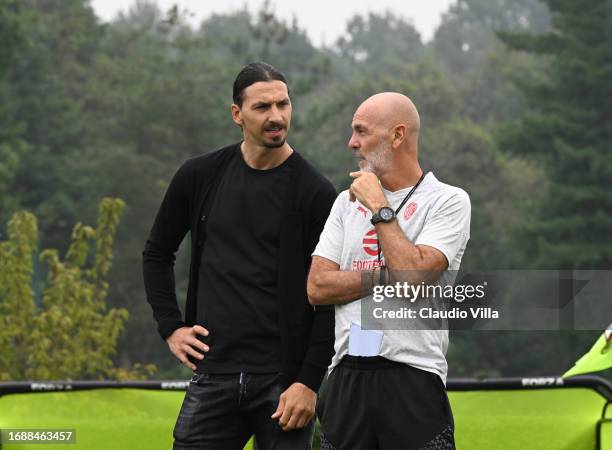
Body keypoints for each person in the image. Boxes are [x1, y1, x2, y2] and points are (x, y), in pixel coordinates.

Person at [142, 62, 336, 450]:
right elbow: (157, 253)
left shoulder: (315, 192)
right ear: (237, 114)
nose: (277, 117)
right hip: (213, 373)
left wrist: (308, 383)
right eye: (263, 107)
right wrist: (170, 325)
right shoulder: (200, 176)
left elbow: (329, 298)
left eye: (283, 104)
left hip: (283, 384)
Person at [307, 92, 471, 450]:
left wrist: (380, 206)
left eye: (361, 131)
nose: (352, 143)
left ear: (397, 136)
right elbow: (317, 287)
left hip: (413, 375)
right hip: (347, 375)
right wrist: (382, 276)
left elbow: (414, 275)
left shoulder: (447, 200)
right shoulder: (344, 202)